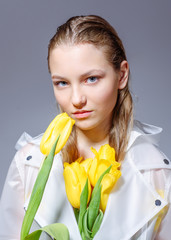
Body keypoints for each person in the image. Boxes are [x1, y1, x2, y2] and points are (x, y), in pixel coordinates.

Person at [0, 15, 171, 240]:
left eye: (91, 79)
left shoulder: (156, 172)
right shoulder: (28, 164)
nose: (76, 99)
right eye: (62, 83)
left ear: (122, 75)